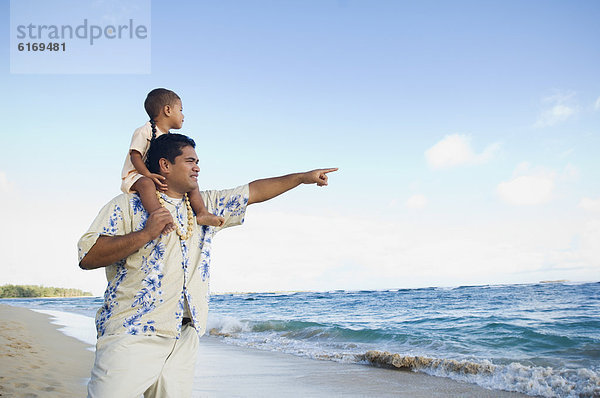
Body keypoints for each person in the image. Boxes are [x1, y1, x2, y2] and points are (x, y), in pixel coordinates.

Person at [78, 133, 337, 397]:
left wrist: (302, 178)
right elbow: (88, 256)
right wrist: (146, 233)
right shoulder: (127, 205)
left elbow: (254, 191)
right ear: (165, 165)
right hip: (131, 334)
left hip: (184, 336)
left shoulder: (204, 208)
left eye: (197, 161)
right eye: (190, 161)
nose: (197, 167)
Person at [121, 88, 224, 229]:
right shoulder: (144, 131)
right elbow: (135, 156)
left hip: (155, 173)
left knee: (190, 183)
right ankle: (159, 216)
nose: (183, 115)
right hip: (137, 175)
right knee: (146, 184)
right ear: (168, 110)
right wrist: (148, 174)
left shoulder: (167, 138)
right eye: (180, 110)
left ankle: (202, 212)